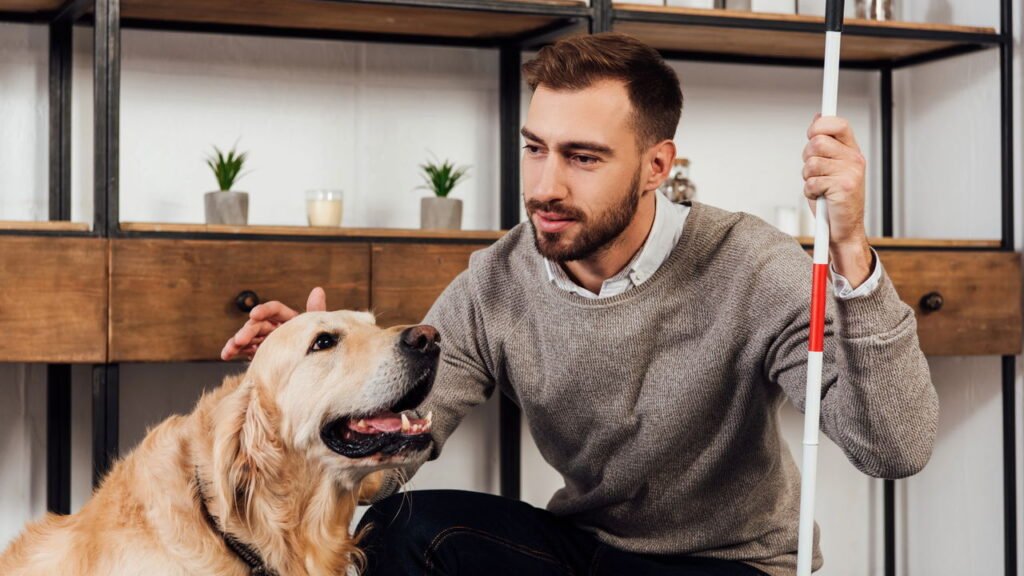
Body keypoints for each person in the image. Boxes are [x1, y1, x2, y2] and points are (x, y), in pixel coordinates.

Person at [222, 32, 937, 576]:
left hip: (730, 564)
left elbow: (894, 448)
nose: (545, 186)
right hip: (587, 550)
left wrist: (850, 248)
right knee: (401, 531)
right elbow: (391, 459)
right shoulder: (497, 280)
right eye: (536, 149)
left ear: (657, 166)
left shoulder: (750, 265)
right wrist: (315, 381)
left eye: (583, 157)